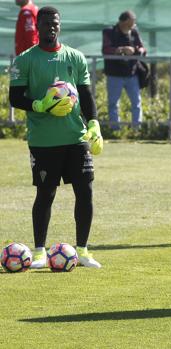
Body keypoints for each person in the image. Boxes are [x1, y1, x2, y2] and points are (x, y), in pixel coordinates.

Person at [9, 6, 104, 269]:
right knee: (45, 193)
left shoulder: (75, 57)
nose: (51, 26)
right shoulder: (25, 59)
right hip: (43, 140)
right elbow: (15, 97)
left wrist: (94, 123)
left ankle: (83, 251)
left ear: (60, 26)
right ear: (38, 26)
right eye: (46, 22)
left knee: (85, 192)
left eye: (55, 23)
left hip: (76, 137)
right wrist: (39, 105)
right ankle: (39, 252)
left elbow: (85, 94)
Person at [101, 10, 146, 130]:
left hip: (132, 74)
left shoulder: (134, 32)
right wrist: (121, 49)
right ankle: (115, 130)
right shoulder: (109, 32)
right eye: (132, 21)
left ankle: (136, 129)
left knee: (136, 103)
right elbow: (106, 49)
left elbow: (142, 48)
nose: (134, 24)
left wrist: (137, 50)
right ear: (125, 21)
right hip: (114, 75)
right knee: (113, 104)